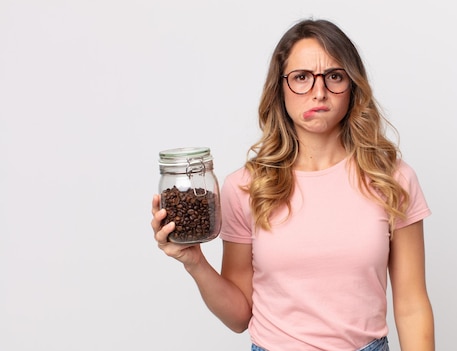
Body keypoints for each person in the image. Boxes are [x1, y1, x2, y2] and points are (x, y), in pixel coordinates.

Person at [151, 18, 434, 351]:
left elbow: (412, 306)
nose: (319, 91)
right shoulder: (246, 186)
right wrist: (194, 261)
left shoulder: (393, 179)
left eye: (334, 76)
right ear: (280, 88)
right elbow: (239, 317)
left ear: (352, 86)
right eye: (301, 77)